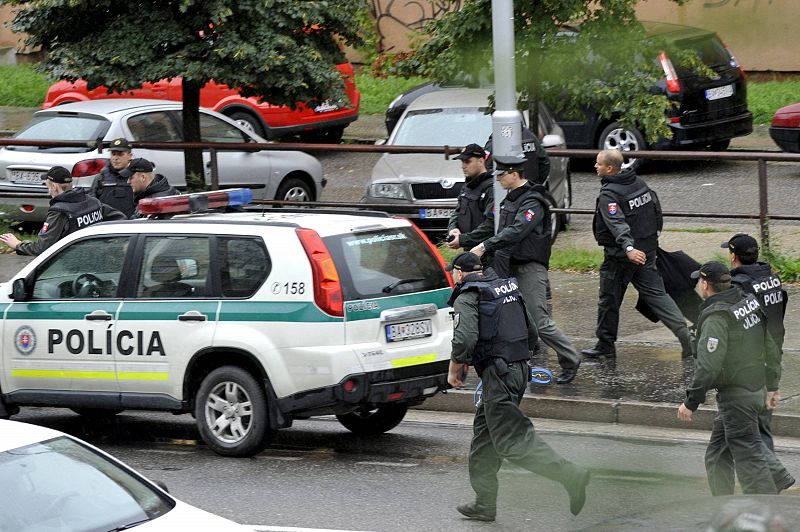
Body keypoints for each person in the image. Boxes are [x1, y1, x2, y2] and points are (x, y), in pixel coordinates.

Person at [447, 251, 590, 521]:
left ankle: (572, 475)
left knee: (513, 443)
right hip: (516, 370)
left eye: (453, 272)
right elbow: (533, 331)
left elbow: (465, 339)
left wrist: (455, 369)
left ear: (459, 272)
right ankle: (485, 503)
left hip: (499, 375)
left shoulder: (468, 295)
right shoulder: (504, 288)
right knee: (484, 439)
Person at [677, 261, 789, 495]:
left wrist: (691, 402)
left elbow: (708, 367)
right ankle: (725, 503)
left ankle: (765, 512)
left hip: (737, 396)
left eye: (700, 281)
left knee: (750, 461)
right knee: (718, 453)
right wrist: (772, 385)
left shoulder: (717, 317)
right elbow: (770, 344)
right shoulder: (748, 302)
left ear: (705, 284)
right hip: (754, 387)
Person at [468, 155, 581, 384]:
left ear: (513, 174)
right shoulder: (510, 199)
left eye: (501, 175)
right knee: (512, 317)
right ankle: (518, 362)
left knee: (539, 321)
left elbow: (517, 230)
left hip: (530, 268)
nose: (498, 179)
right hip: (511, 265)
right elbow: (496, 228)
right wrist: (470, 242)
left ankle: (571, 358)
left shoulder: (532, 201)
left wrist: (484, 246)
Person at [582, 149, 694, 359]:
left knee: (609, 300)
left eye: (598, 164)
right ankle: (685, 337)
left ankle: (605, 345)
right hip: (647, 250)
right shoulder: (638, 183)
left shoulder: (610, 194)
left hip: (622, 256)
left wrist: (629, 248)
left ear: (609, 168)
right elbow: (655, 209)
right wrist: (652, 238)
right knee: (658, 296)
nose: (595, 167)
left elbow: (617, 224)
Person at [722, 233, 794, 492]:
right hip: (774, 353)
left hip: (753, 361)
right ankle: (769, 482)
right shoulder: (771, 277)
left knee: (751, 430)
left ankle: (771, 483)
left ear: (733, 256)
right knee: (759, 426)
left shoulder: (740, 284)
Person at [0, 166, 125, 256]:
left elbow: (42, 248)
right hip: (99, 258)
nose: (48, 190)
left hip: (73, 265)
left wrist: (18, 245)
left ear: (54, 187)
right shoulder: (93, 202)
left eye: (47, 186)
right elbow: (120, 219)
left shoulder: (59, 212)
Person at [446, 143, 493, 254]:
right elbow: (457, 212)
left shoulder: (490, 188)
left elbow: (490, 225)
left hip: (485, 251)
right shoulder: (467, 186)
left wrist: (463, 239)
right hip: (468, 249)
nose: (463, 166)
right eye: (462, 162)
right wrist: (453, 229)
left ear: (481, 161)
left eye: (467, 162)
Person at [89, 137, 135, 218]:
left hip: (130, 224)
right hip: (107, 225)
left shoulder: (135, 176)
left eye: (120, 154)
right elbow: (92, 203)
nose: (116, 158)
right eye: (113, 154)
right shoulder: (101, 177)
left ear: (130, 156)